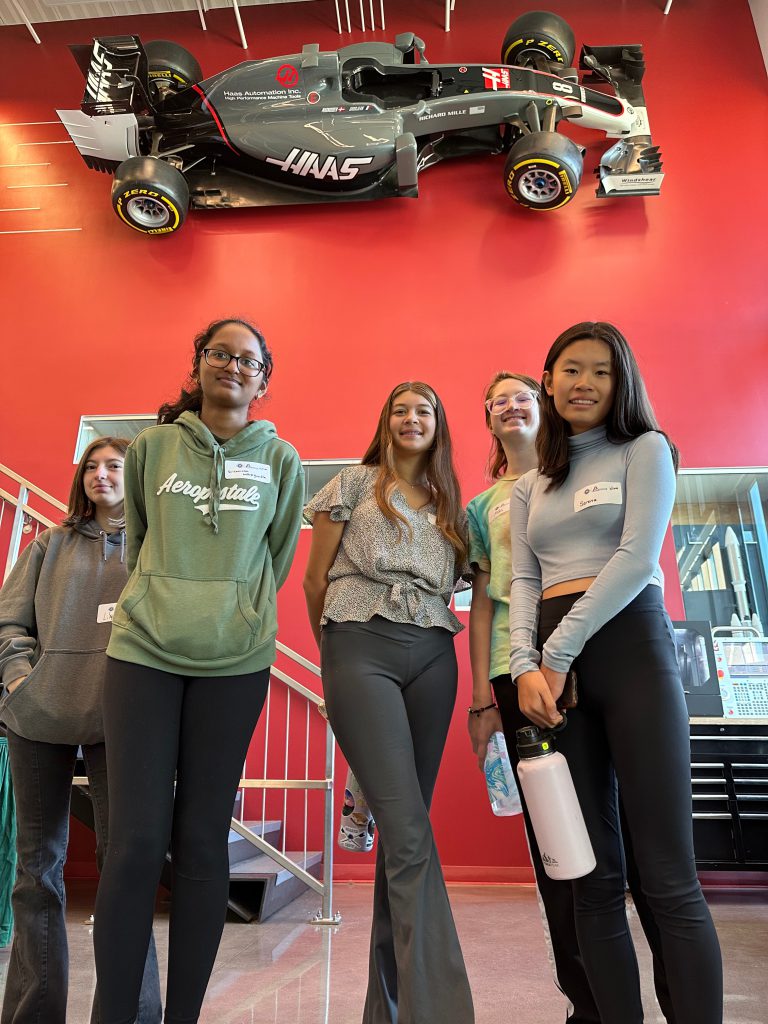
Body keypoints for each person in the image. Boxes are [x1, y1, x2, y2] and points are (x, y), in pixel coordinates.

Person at [509, 322, 723, 1024]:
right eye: (570, 369)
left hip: (629, 650)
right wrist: (521, 668)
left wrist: (557, 655)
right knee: (589, 879)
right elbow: (522, 580)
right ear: (548, 379)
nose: (584, 383)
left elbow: (636, 558)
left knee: (668, 879)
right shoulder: (529, 483)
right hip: (548, 667)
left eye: (601, 371)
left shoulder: (645, 449)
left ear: (620, 382)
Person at [92, 319, 305, 1024]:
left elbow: (275, 560)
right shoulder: (153, 447)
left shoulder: (281, 461)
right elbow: (140, 540)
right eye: (220, 354)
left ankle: (182, 1015)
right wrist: (164, 595)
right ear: (198, 366)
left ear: (263, 379)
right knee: (135, 843)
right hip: (143, 653)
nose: (233, 367)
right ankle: (113, 1013)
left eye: (248, 360)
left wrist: (235, 608)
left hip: (235, 660)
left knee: (202, 838)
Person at [466, 372, 675, 1024]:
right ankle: (590, 1006)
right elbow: (486, 599)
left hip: (611, 651)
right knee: (564, 849)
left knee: (648, 852)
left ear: (545, 402)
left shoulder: (605, 464)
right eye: (497, 400)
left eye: (521, 394)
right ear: (491, 421)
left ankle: (673, 993)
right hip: (518, 671)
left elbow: (636, 558)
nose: (511, 405)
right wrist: (483, 697)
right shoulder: (487, 504)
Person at [303, 381, 474, 1024]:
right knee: (406, 832)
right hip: (358, 644)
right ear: (384, 423)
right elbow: (315, 580)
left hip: (434, 654)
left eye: (423, 411)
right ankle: (442, 1010)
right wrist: (333, 665)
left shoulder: (452, 506)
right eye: (400, 410)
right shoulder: (351, 483)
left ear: (439, 426)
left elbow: (472, 587)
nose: (410, 419)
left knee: (407, 835)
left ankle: (390, 1007)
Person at [0, 438, 162, 1024]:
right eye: (90, 467)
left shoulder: (153, 549)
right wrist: (21, 679)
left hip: (121, 718)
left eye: (113, 465)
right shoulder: (48, 544)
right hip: (39, 715)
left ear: (134, 476)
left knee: (126, 870)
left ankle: (130, 1015)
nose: (100, 475)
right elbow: (8, 621)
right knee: (36, 867)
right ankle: (31, 1012)